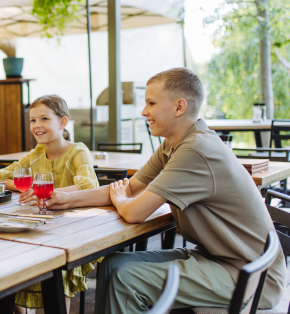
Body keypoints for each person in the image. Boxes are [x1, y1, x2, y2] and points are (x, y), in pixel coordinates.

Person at [46, 68, 286, 313]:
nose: (144, 112)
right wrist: (67, 198)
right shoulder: (173, 145)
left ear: (179, 107)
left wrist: (119, 197)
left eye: (151, 103)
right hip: (218, 257)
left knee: (125, 278)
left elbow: (134, 212)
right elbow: (130, 187)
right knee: (112, 264)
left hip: (252, 276)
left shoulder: (196, 149)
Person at [0, 95, 99, 313]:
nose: (37, 125)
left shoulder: (77, 151)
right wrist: (24, 188)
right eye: (32, 120)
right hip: (37, 226)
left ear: (63, 123)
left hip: (70, 232)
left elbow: (88, 184)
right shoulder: (35, 154)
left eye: (44, 119)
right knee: (10, 265)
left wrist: (53, 194)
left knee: (57, 278)